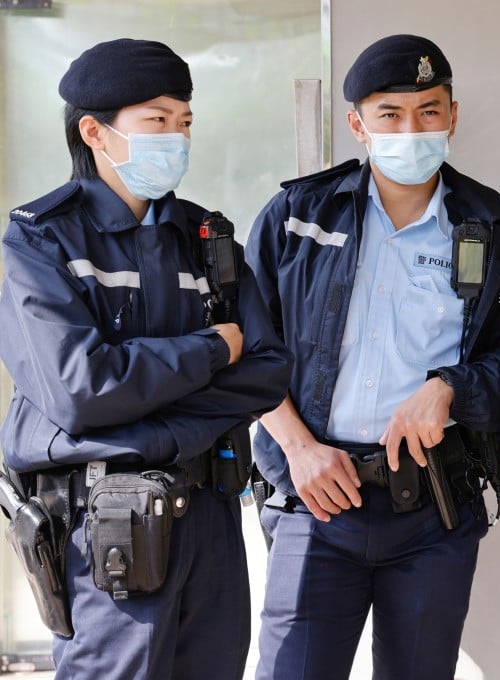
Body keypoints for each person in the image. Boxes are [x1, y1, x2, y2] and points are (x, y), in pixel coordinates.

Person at [245, 34, 500, 679]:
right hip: (316, 500)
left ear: (453, 115)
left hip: (432, 509)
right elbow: (247, 350)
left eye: (428, 110)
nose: (411, 128)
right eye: (390, 114)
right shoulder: (296, 217)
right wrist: (300, 451)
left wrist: (452, 387)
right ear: (357, 124)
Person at [0, 39, 293, 679]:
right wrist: (213, 348)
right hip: (109, 520)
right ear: (94, 132)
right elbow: (82, 388)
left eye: (184, 122)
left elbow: (268, 370)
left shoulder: (206, 240)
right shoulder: (42, 239)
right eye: (157, 121)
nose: (177, 138)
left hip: (211, 514)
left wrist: (148, 421)